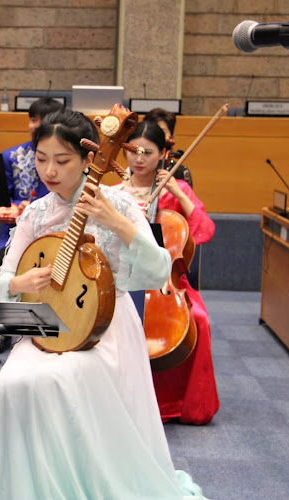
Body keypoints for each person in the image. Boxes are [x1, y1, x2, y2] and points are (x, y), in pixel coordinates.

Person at [0, 109, 206, 499]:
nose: (49, 170)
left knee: (58, 381)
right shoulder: (36, 212)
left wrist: (118, 223)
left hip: (105, 326)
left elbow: (157, 272)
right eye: (41, 159)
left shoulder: (118, 203)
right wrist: (18, 281)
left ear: (90, 159)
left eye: (62, 160)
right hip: (47, 322)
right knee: (11, 385)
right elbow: (5, 277)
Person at [113, 120, 219, 425]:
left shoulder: (176, 189)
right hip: (124, 278)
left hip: (167, 281)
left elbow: (206, 229)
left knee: (198, 320)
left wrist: (178, 193)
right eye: (134, 151)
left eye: (148, 152)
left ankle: (179, 404)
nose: (139, 158)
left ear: (162, 154)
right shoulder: (116, 191)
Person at [0, 97, 65, 250]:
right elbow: (1, 200)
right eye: (33, 120)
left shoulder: (66, 159)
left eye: (44, 121)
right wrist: (16, 206)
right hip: (16, 231)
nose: (37, 126)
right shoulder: (11, 156)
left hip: (56, 231)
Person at [143, 107, 193, 187]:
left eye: (161, 131)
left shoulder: (180, 172)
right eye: (152, 131)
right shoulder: (138, 167)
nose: (156, 136)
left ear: (172, 137)